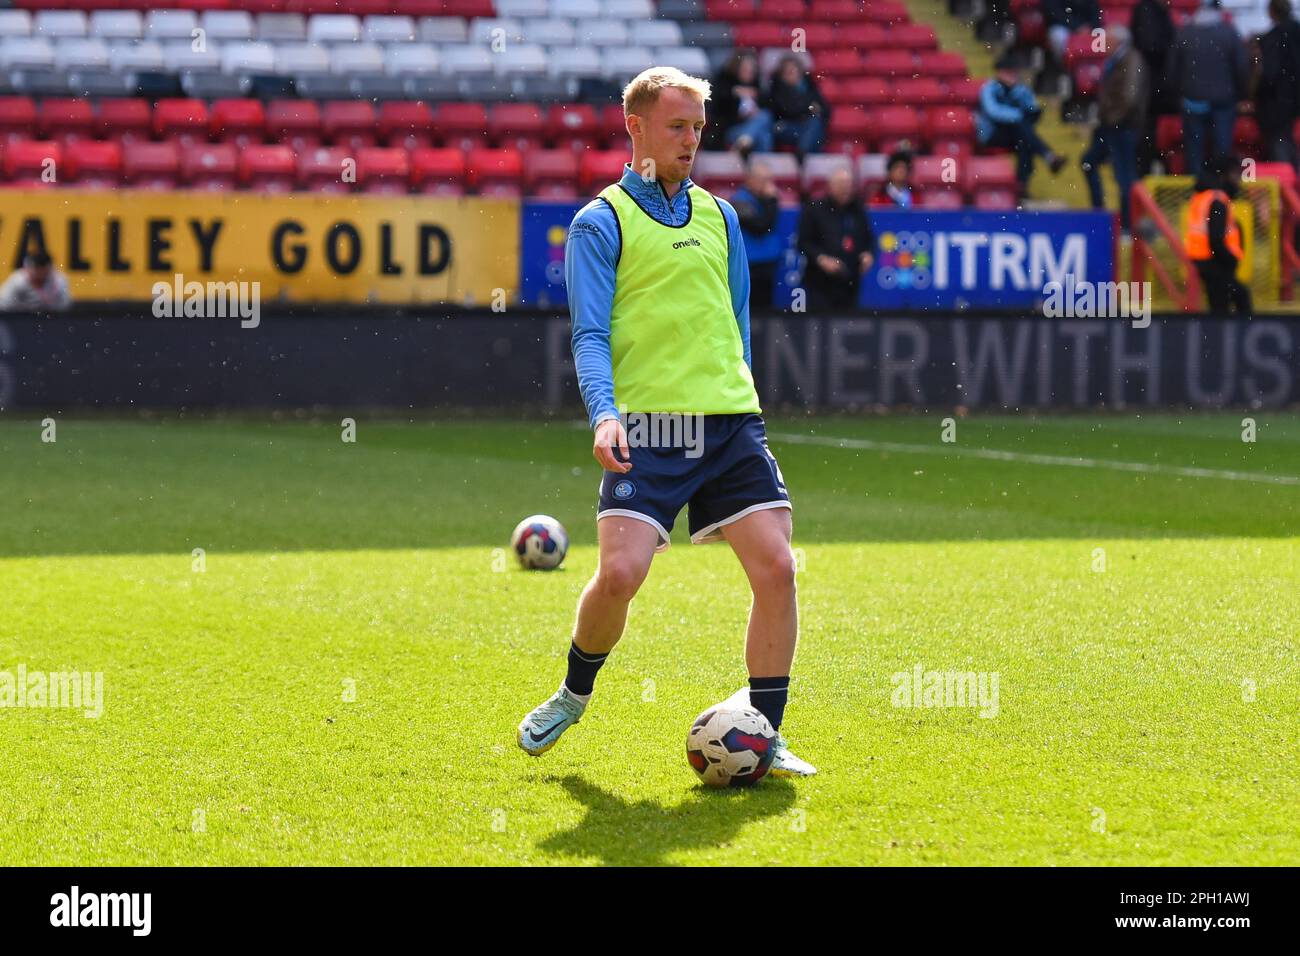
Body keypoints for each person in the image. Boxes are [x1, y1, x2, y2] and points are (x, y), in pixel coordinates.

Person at [520, 67, 815, 777]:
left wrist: (743, 393)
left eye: (698, 128)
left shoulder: (721, 217)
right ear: (638, 127)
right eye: (678, 127)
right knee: (620, 575)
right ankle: (573, 691)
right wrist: (604, 416)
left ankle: (762, 737)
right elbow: (590, 335)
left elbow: (735, 316)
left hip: (729, 421)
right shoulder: (601, 222)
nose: (692, 140)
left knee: (777, 568)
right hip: (649, 427)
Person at [1167, 0, 1249, 177]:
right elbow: (1241, 69)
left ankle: (1198, 192)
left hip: (1192, 100)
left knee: (1194, 151)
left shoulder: (1185, 33)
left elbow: (1173, 71)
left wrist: (1179, 93)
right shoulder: (1229, 33)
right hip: (1223, 101)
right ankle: (1220, 188)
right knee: (1222, 147)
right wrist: (1243, 94)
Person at [1081, 25, 1147, 231]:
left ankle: (1128, 225)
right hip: (1110, 125)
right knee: (1088, 162)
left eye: (1108, 40)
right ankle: (1099, 213)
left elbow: (1130, 97)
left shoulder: (1131, 59)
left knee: (1124, 177)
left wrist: (1113, 118)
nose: (1104, 44)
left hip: (1121, 126)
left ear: (1119, 41)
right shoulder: (1118, 59)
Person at [975, 56, 1068, 196]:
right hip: (992, 134)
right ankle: (1048, 157)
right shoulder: (989, 89)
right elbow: (993, 112)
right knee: (1021, 130)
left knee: (1024, 143)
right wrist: (1019, 115)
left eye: (1014, 72)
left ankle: (1021, 186)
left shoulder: (1021, 90)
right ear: (999, 73)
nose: (1012, 75)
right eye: (1008, 72)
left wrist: (1032, 112)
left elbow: (1031, 107)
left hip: (1015, 135)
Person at [797, 166, 876, 310]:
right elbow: (803, 242)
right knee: (820, 325)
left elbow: (869, 239)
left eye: (848, 185)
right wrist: (821, 258)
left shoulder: (858, 210)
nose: (845, 189)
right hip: (820, 282)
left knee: (849, 326)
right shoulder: (814, 208)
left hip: (850, 281)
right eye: (841, 185)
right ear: (830, 186)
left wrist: (868, 254)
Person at [1185, 154, 1252, 313]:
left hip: (1202, 262)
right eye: (1235, 174)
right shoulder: (1217, 200)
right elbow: (1216, 239)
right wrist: (1230, 260)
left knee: (1221, 306)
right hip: (1213, 264)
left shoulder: (1202, 195)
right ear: (1223, 175)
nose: (1238, 180)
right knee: (1238, 299)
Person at [1131, 0, 1177, 175]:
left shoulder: (1162, 12)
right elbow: (1149, 45)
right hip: (1149, 93)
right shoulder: (1145, 10)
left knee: (1161, 145)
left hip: (1161, 94)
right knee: (1146, 144)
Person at [730, 161, 783, 310]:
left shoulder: (765, 200)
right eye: (763, 180)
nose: (768, 185)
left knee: (766, 309)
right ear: (750, 180)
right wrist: (772, 200)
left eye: (769, 180)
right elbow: (761, 226)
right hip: (749, 265)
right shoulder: (740, 200)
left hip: (768, 264)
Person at [1254, 0, 1300, 168]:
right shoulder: (1295, 31)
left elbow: (1269, 74)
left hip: (1278, 102)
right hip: (1293, 100)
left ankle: (1285, 182)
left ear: (1272, 12)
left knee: (1280, 145)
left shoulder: (1273, 37)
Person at [764, 55, 830, 159]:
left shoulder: (809, 86)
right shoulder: (777, 88)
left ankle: (802, 153)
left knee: (815, 123)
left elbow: (825, 109)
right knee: (815, 132)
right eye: (788, 72)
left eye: (794, 71)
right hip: (784, 126)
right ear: (782, 75)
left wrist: (811, 109)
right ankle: (804, 155)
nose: (792, 74)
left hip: (805, 126)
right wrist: (809, 108)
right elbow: (786, 110)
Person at [712, 50, 773, 158]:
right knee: (763, 128)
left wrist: (754, 113)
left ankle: (745, 141)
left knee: (764, 131)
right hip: (730, 130)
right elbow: (718, 109)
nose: (749, 72)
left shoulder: (758, 87)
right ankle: (759, 166)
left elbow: (770, 106)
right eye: (745, 69)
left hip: (753, 129)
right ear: (737, 68)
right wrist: (734, 93)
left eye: (751, 70)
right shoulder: (725, 84)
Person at [0, 252, 72, 311]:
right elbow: (4, 304)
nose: (41, 273)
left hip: (50, 319)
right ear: (30, 267)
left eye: (44, 270)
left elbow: (65, 305)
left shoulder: (59, 281)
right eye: (37, 269)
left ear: (50, 268)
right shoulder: (18, 281)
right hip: (21, 319)